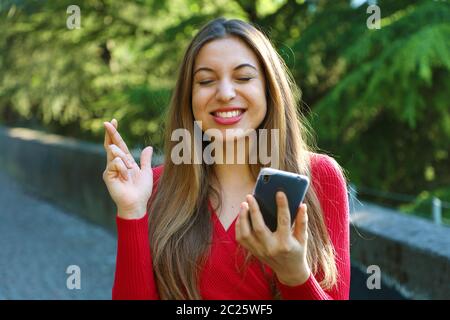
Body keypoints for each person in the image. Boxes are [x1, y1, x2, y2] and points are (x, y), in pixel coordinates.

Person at [103, 18, 350, 300]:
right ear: (189, 98)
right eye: (206, 81)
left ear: (270, 89)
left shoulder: (319, 177)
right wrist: (132, 211)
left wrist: (295, 274)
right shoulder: (154, 186)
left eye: (243, 77)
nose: (225, 93)